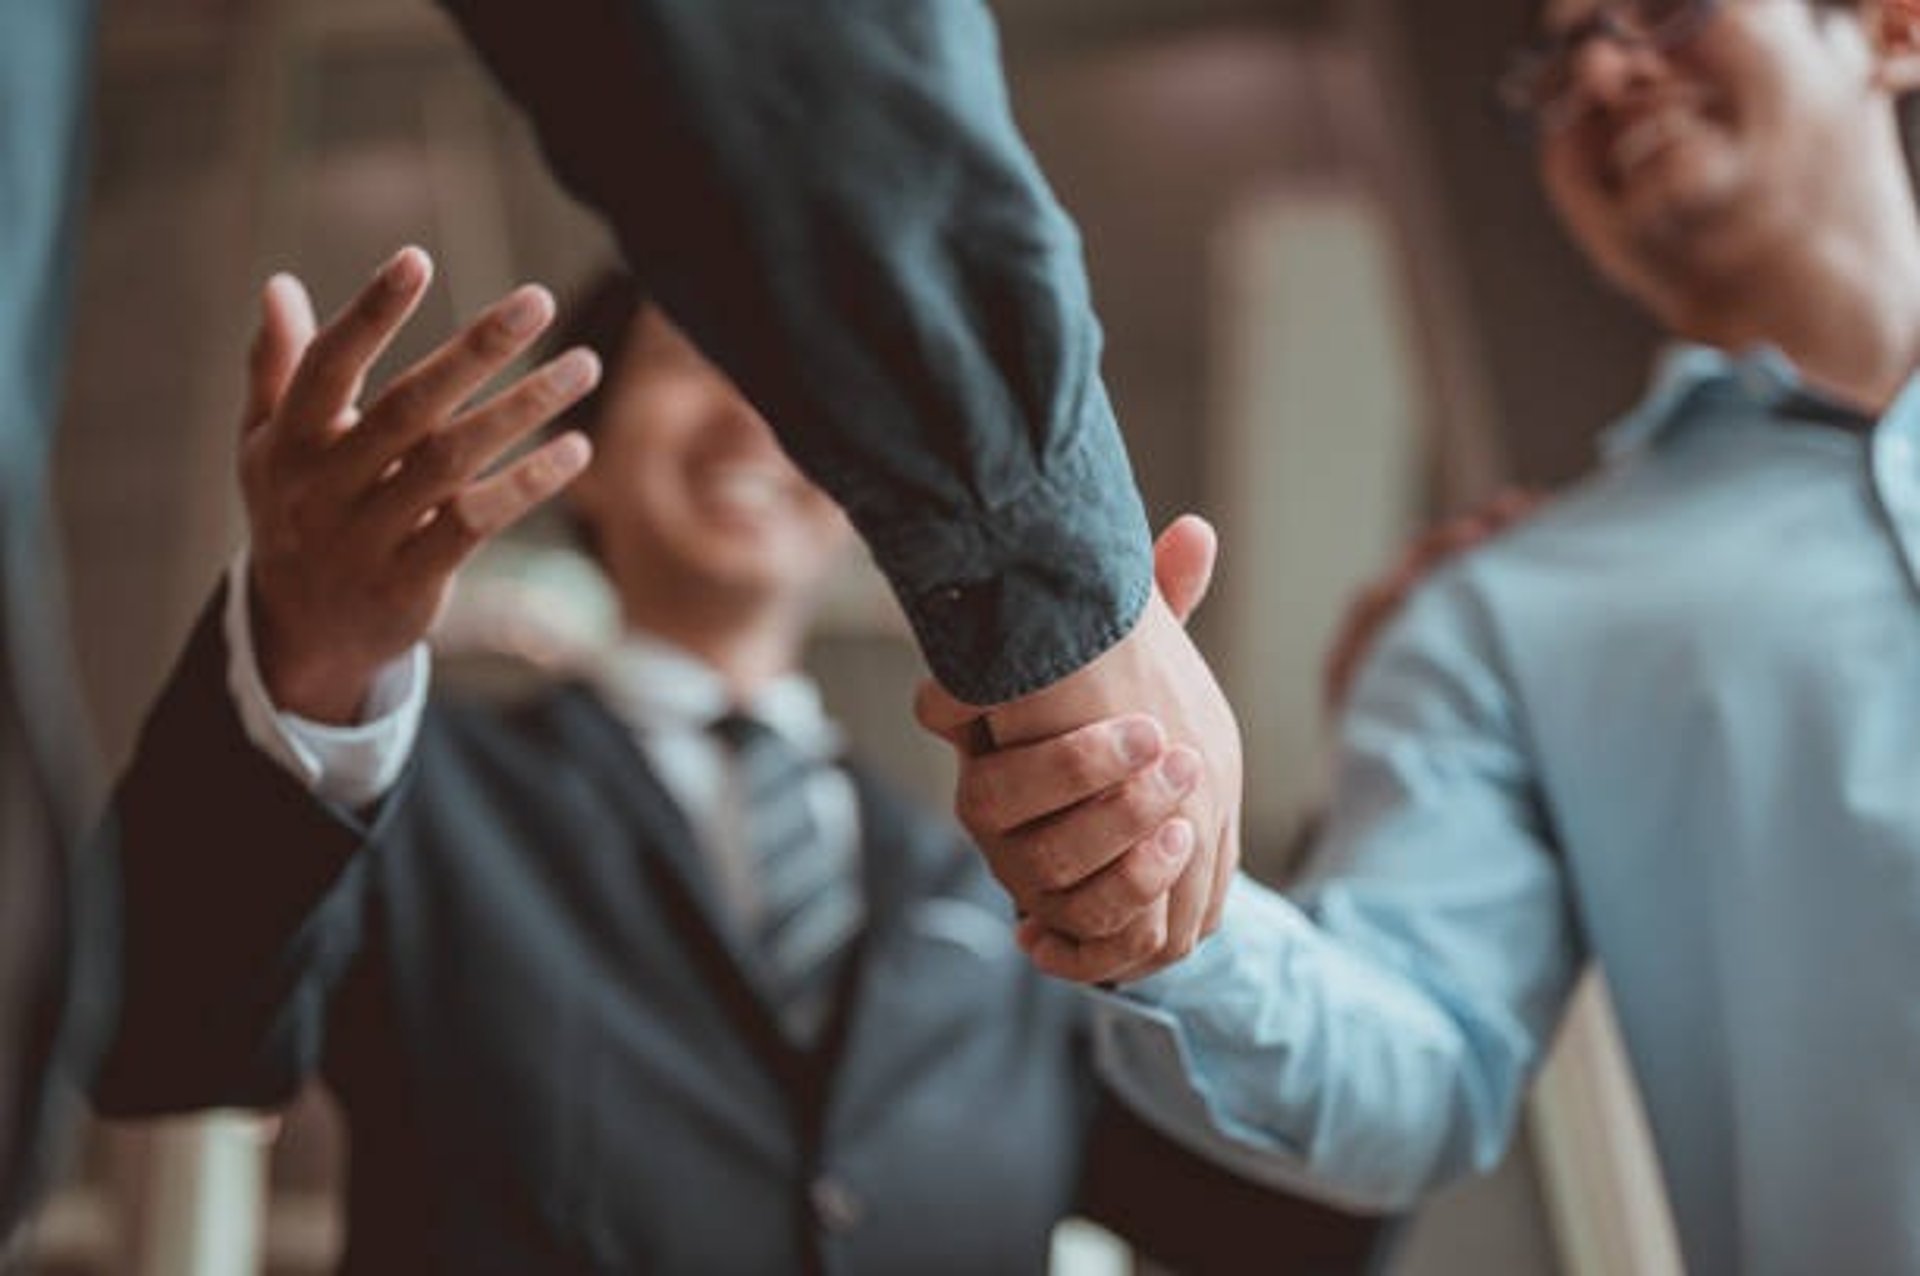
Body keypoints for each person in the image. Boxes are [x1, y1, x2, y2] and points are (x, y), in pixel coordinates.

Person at [90, 257, 1377, 1274]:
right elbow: (160, 1032)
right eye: (688, 362)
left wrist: (1379, 774)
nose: (753, 418)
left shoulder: (1003, 881)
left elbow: (1293, 1227)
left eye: (800, 391)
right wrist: (310, 655)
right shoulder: (417, 795)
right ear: (582, 460)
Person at [924, 1, 1920, 1272]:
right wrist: (1168, 888)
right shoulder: (1497, 613)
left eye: (1662, 9)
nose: (1601, 69)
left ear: (1890, 26)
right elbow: (1417, 1056)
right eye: (1558, 57)